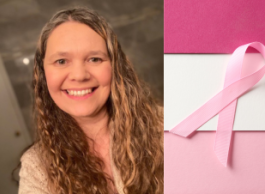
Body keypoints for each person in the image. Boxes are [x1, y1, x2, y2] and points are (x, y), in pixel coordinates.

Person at [18, 7, 163, 194]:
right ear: (43, 74)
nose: (79, 75)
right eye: (61, 61)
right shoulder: (35, 167)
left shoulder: (166, 128)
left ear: (116, 66)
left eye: (94, 59)